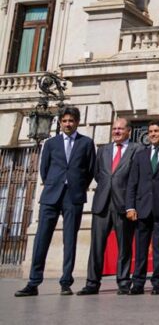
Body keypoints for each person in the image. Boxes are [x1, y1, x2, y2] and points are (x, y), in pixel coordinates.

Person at [16, 106, 96, 297]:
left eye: (71, 121)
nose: (68, 124)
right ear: (60, 123)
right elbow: (44, 169)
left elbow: (90, 170)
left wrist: (76, 186)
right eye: (65, 121)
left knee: (70, 240)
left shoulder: (86, 143)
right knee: (41, 238)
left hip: (73, 197)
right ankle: (33, 282)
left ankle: (66, 282)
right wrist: (55, 183)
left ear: (77, 122)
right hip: (51, 196)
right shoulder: (51, 143)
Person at [77, 117, 143, 295]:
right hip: (102, 203)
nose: (117, 132)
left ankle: (123, 282)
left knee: (125, 246)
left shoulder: (137, 149)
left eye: (121, 129)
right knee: (96, 246)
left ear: (129, 131)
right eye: (114, 129)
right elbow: (98, 174)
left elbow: (137, 176)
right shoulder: (103, 150)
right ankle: (92, 283)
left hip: (124, 204)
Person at [125, 120, 159, 295]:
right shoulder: (140, 155)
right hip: (141, 209)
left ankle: (157, 283)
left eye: (156, 131)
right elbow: (132, 182)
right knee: (140, 248)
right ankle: (138, 283)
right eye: (150, 131)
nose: (153, 134)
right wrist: (130, 207)